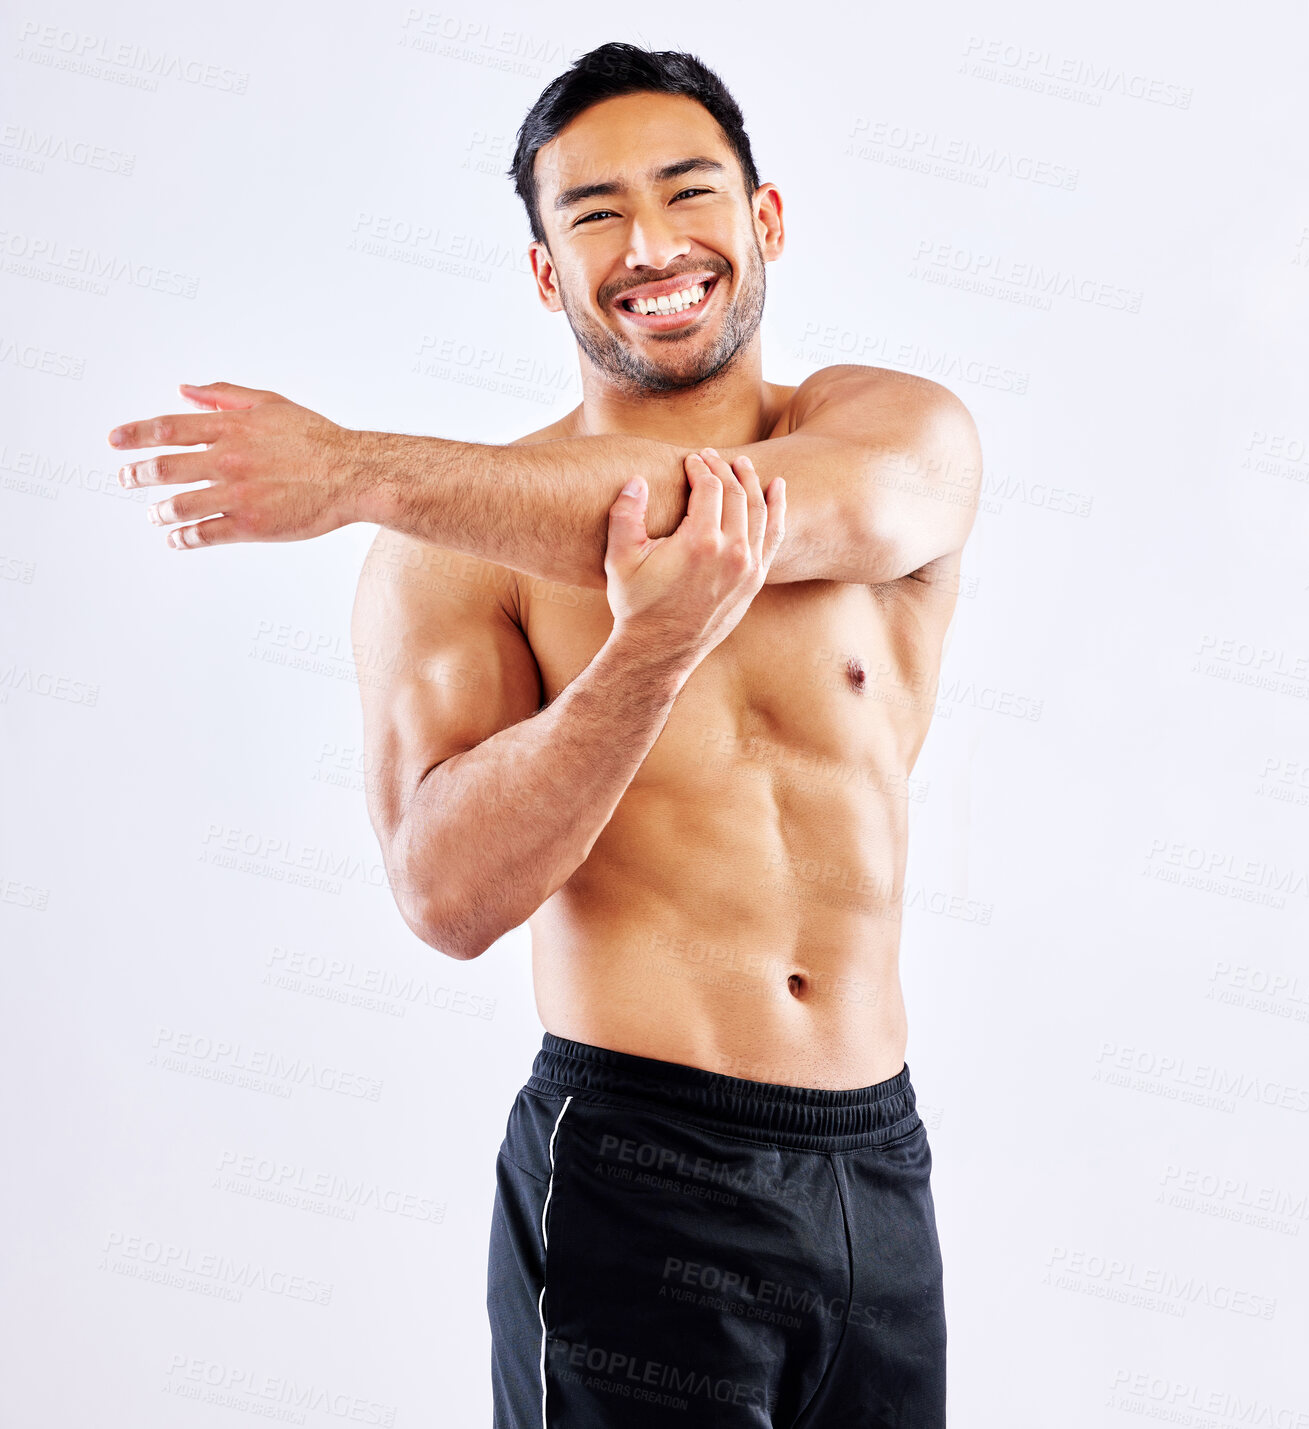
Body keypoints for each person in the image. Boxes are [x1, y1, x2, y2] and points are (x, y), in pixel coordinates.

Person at [107, 41, 981, 1429]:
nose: (651, 245)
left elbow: (735, 513)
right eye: (593, 218)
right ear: (543, 274)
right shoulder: (443, 558)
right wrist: (645, 652)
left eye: (689, 193)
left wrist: (350, 469)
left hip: (877, 1164)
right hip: (641, 1168)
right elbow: (447, 898)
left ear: (764, 220)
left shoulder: (898, 436)